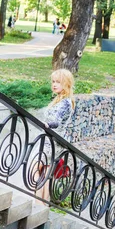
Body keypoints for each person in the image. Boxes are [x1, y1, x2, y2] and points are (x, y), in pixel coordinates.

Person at [38, 69, 75, 203]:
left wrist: (48, 124)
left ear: (66, 83)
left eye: (58, 82)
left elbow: (57, 121)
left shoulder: (65, 102)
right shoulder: (60, 99)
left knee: (36, 170)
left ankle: (38, 203)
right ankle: (41, 204)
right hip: (50, 140)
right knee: (45, 173)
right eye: (53, 81)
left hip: (53, 141)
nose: (54, 84)